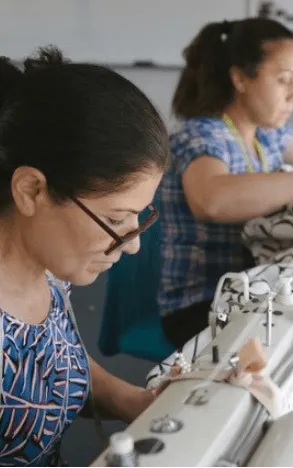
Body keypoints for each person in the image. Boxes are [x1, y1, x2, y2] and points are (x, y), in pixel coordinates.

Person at [0, 47, 169, 467]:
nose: (133, 245)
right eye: (116, 218)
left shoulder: (51, 273)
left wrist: (132, 400)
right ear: (32, 191)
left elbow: (51, 359)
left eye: (138, 218)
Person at [158, 18, 293, 349]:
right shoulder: (202, 134)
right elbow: (211, 201)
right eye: (284, 80)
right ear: (240, 78)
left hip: (256, 287)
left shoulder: (267, 134)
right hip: (204, 303)